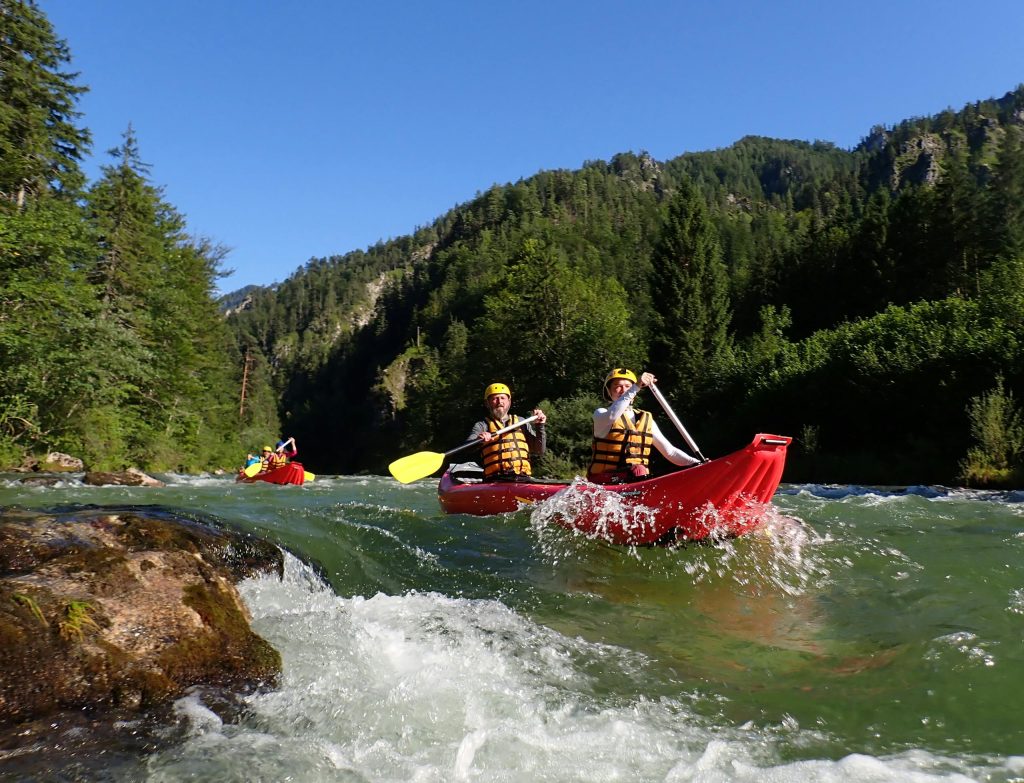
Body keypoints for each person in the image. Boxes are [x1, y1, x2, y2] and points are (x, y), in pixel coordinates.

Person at [587, 368, 701, 484]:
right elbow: (612, 416)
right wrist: (635, 386)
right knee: (638, 470)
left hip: (634, 478)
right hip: (603, 480)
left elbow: (670, 452)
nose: (624, 390)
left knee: (642, 471)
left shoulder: (645, 419)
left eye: (628, 386)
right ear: (609, 391)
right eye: (618, 386)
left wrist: (697, 463)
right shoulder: (600, 413)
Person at [469, 382, 547, 480]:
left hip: (522, 477)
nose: (499, 402)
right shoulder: (482, 425)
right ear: (487, 403)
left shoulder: (521, 422)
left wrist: (540, 426)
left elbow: (539, 450)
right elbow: (468, 447)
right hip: (495, 479)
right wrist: (479, 440)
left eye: (503, 398)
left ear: (509, 401)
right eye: (495, 398)